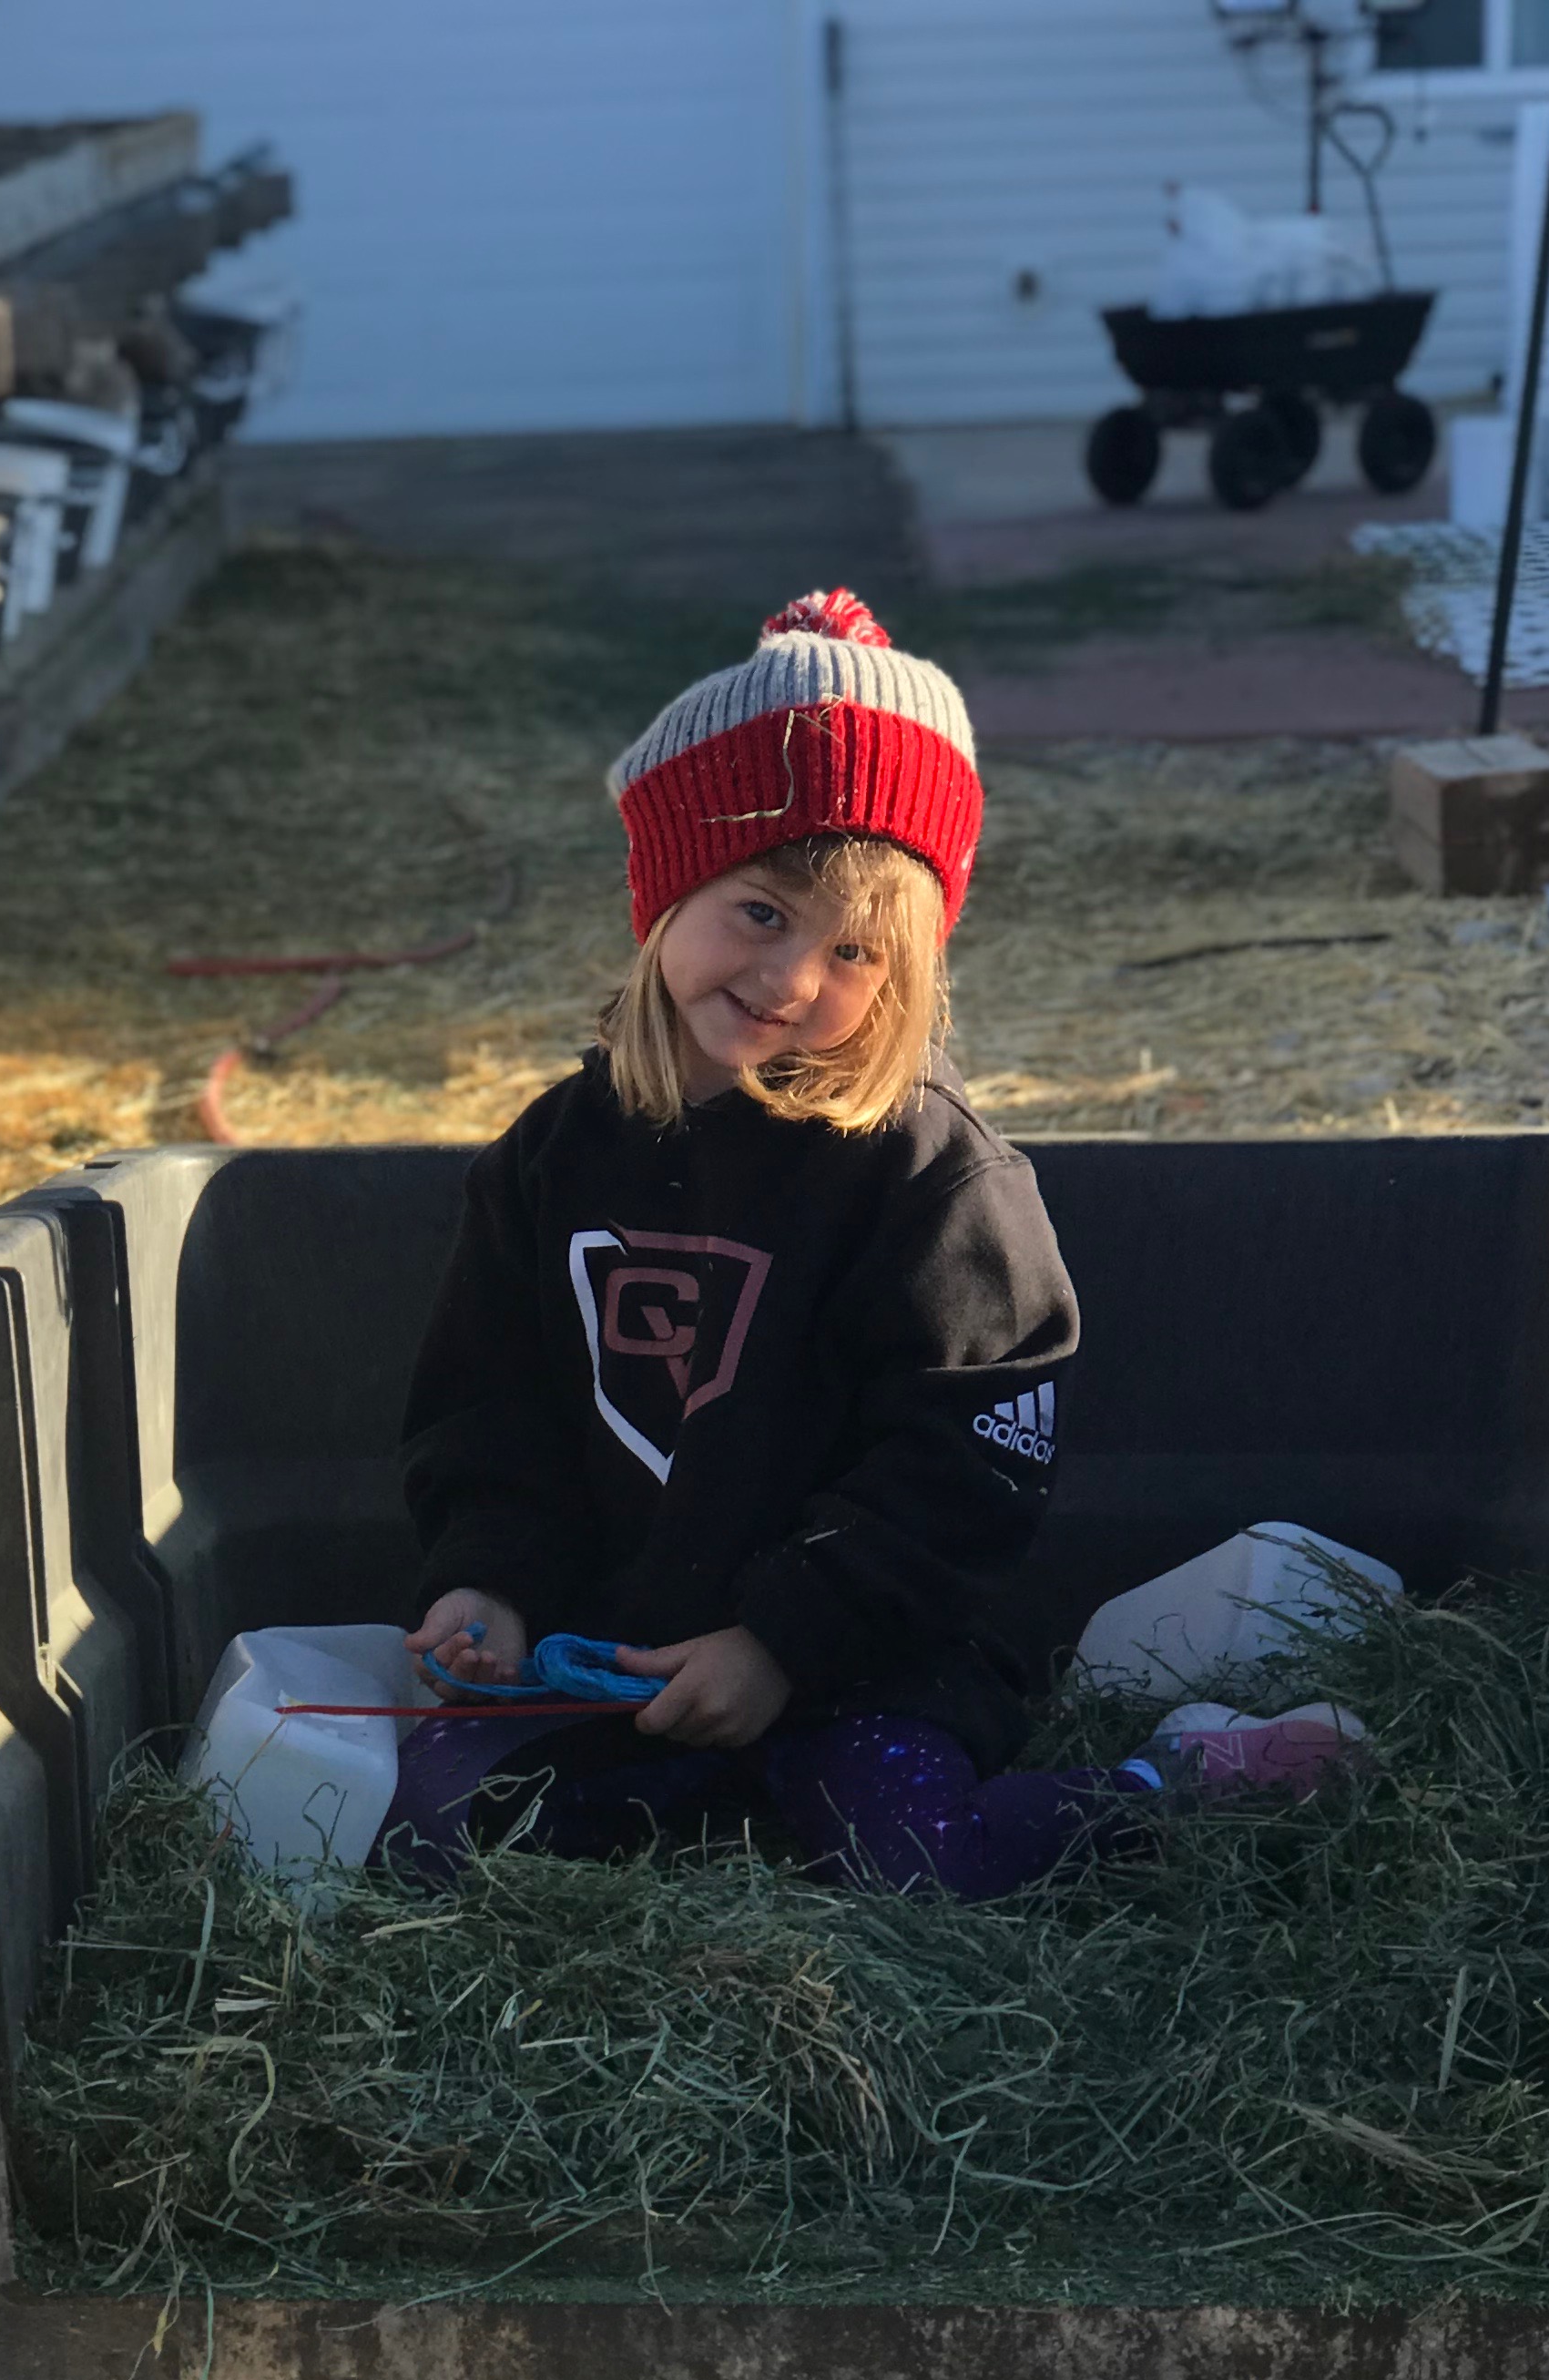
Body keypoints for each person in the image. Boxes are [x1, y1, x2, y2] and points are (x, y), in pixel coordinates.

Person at [387, 587, 1338, 1899]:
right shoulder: (552, 1157)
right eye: (761, 913)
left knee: (908, 1859)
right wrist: (487, 1586)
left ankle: (1180, 1781)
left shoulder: (930, 1174)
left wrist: (783, 1641)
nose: (791, 981)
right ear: (668, 887)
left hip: (869, 1655)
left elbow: (967, 1460)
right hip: (620, 1655)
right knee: (438, 1830)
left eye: (854, 951)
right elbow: (490, 1407)